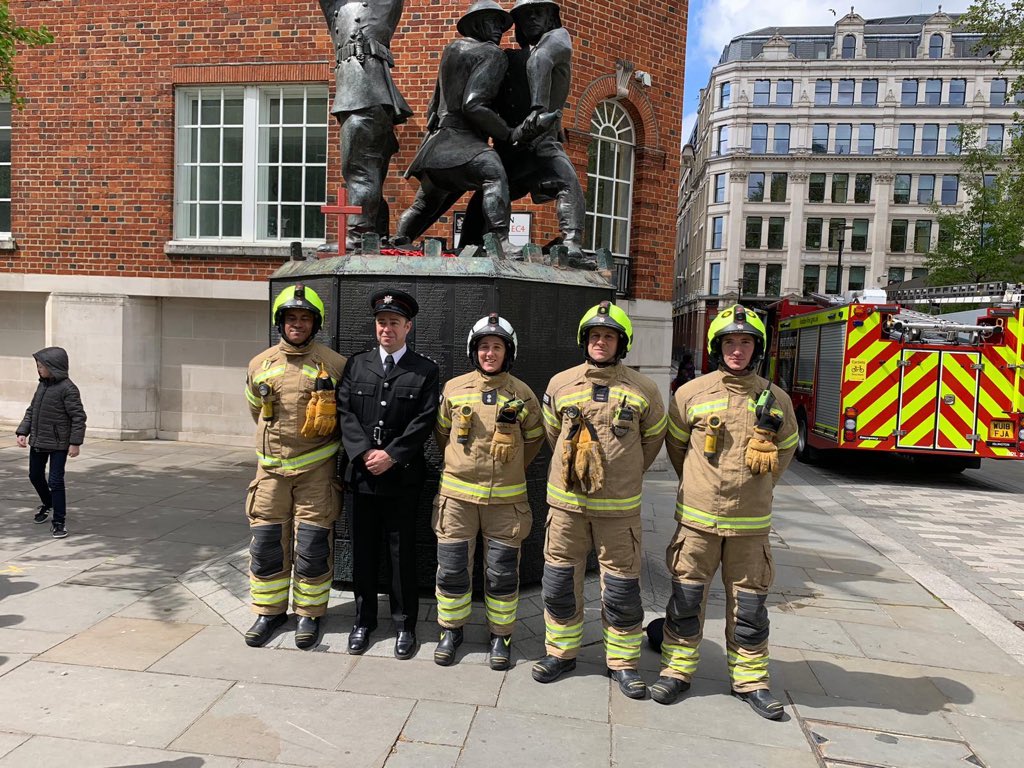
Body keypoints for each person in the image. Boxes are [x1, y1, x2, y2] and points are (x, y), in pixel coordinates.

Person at [649, 304, 798, 720]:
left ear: (758, 348)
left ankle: (750, 680)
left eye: (745, 342)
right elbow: (677, 448)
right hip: (697, 520)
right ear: (717, 347)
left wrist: (757, 487)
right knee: (686, 597)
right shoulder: (690, 394)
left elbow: (784, 452)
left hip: (750, 525)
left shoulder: (776, 399)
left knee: (749, 605)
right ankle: (676, 671)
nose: (737, 350)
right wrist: (699, 482)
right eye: (729, 342)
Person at [534, 301, 667, 699]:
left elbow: (653, 440)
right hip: (566, 507)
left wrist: (623, 474)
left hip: (619, 511)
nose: (600, 342)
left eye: (609, 336)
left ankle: (623, 663)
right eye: (594, 336)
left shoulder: (644, 389)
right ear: (584, 340)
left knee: (623, 589)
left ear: (621, 342)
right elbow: (552, 435)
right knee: (559, 582)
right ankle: (561, 653)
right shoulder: (560, 384)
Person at [432, 313, 545, 670]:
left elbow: (534, 441)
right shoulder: (453, 389)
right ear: (474, 351)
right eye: (484, 346)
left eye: (497, 347)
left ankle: (501, 634)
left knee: (501, 573)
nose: (490, 353)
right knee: (451, 570)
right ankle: (451, 631)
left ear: (508, 352)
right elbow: (441, 435)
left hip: (505, 503)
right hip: (457, 500)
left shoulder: (522, 394)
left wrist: (511, 470)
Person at [243, 284, 348, 650]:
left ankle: (310, 614)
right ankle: (268, 612)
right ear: (281, 322)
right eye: (291, 318)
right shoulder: (260, 364)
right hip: (270, 473)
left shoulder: (334, 365)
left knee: (312, 545)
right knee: (267, 544)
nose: (297, 324)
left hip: (316, 473)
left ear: (315, 323)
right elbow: (257, 411)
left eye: (305, 318)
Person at [338, 289, 439, 660]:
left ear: (407, 327)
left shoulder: (424, 370)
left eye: (394, 323)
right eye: (381, 322)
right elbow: (345, 412)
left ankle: (404, 624)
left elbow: (423, 420)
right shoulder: (357, 365)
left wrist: (392, 455)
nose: (386, 329)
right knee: (363, 551)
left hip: (402, 477)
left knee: (401, 554)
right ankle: (363, 621)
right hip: (361, 475)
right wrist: (365, 453)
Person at [397, 1, 541, 257]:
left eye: (501, 24)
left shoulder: (451, 49)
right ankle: (501, 241)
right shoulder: (491, 54)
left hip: (435, 146)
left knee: (424, 205)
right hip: (462, 143)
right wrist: (508, 132)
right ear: (476, 23)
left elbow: (432, 107)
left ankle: (398, 239)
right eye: (491, 21)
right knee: (494, 174)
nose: (498, 29)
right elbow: (474, 105)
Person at [459, 0, 591, 267]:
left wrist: (538, 110)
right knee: (489, 193)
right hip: (514, 144)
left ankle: (572, 243)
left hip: (540, 139)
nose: (531, 19)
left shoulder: (557, 39)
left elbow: (541, 60)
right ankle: (468, 246)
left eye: (538, 13)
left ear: (551, 17)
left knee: (566, 178)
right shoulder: (509, 56)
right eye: (524, 15)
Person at [317, 0, 412, 250]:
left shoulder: (382, 4)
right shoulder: (337, 9)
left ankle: (358, 235)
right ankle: (374, 234)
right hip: (354, 94)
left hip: (365, 93)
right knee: (366, 169)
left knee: (359, 168)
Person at [16, 347, 87, 539]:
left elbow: (78, 417)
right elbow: (32, 410)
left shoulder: (68, 389)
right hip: (38, 440)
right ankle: (48, 503)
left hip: (59, 444)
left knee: (55, 481)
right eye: (37, 366)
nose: (39, 369)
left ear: (53, 366)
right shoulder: (42, 385)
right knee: (35, 476)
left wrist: (75, 443)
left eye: (42, 366)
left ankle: (59, 522)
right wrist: (23, 431)